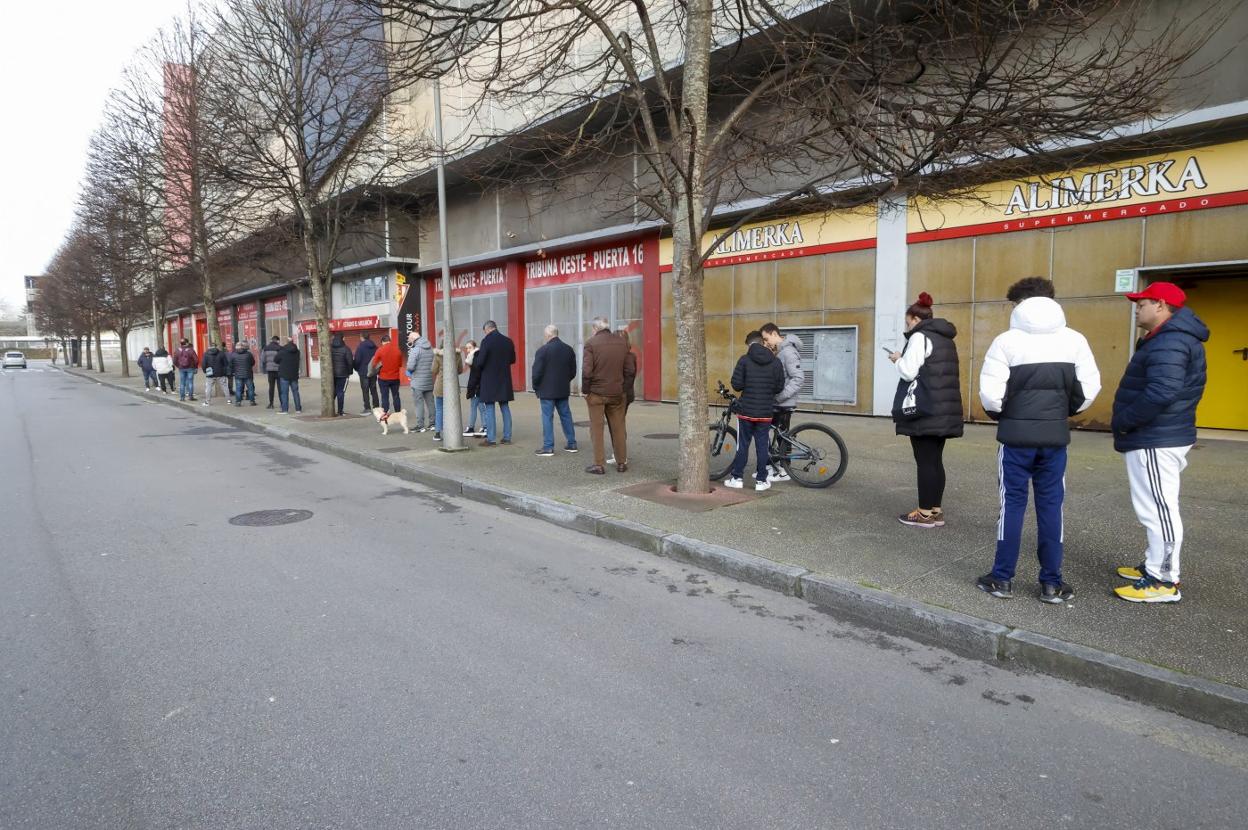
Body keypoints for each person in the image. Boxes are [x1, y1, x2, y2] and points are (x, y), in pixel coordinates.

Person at [976, 277, 1101, 604]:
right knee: (1051, 508)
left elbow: (991, 397)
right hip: (1054, 439)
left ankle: (1001, 580)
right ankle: (1051, 584)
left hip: (1015, 441)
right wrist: (1061, 412)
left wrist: (1004, 415)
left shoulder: (1006, 341)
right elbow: (1088, 391)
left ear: (1020, 305)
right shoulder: (1075, 340)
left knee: (1012, 506)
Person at [1110, 282, 1208, 604]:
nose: (1137, 307)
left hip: (1156, 437)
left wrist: (1125, 421)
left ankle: (1163, 580)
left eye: (1143, 302)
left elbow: (1161, 392)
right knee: (1153, 507)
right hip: (1159, 434)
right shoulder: (1165, 339)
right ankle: (1154, 565)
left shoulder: (1171, 341)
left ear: (1162, 306)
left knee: (1159, 511)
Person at [887, 293, 964, 528]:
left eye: (906, 321)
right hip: (944, 408)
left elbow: (909, 372)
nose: (906, 325)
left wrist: (897, 360)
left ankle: (923, 514)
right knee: (935, 461)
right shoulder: (945, 338)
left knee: (925, 462)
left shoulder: (920, 337)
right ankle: (935, 511)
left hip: (926, 409)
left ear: (914, 319)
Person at [724, 330, 785, 491]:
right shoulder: (776, 362)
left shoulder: (744, 360)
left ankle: (737, 478)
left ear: (749, 344)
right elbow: (779, 387)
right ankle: (761, 481)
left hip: (746, 411)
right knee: (762, 446)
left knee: (742, 445)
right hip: (765, 412)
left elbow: (736, 385)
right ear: (763, 342)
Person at [581, 316, 632, 474]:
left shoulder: (591, 343)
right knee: (618, 428)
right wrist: (622, 388)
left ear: (595, 328)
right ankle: (621, 463)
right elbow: (629, 370)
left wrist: (585, 390)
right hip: (617, 393)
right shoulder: (622, 342)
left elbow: (587, 372)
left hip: (596, 393)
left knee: (596, 428)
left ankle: (599, 464)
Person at [760, 323, 803, 482]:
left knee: (782, 436)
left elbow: (799, 378)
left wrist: (780, 397)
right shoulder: (782, 351)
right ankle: (776, 466)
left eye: (766, 338)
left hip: (784, 402)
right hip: (781, 402)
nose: (766, 343)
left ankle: (784, 470)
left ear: (773, 334)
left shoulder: (788, 352)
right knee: (780, 435)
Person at [531, 324, 579, 457]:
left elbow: (536, 373)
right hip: (562, 389)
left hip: (546, 391)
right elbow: (573, 372)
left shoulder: (542, 350)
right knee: (566, 415)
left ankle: (548, 447)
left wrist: (536, 387)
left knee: (547, 417)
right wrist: (564, 381)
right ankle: (572, 443)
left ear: (548, 335)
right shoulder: (568, 349)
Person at [467, 321, 516, 447]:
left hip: (489, 380)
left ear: (487, 329)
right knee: (505, 407)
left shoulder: (486, 341)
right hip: (504, 379)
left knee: (489, 408)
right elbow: (512, 359)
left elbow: (480, 362)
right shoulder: (508, 341)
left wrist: (475, 359)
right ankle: (507, 437)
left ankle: (491, 439)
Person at [430, 336, 463, 441]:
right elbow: (460, 370)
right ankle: (453, 431)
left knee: (440, 409)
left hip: (440, 386)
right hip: (453, 386)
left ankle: (438, 433)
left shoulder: (438, 355)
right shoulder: (457, 354)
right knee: (453, 409)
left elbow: (434, 370)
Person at [406, 330, 436, 431]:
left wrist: (409, 371)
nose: (409, 340)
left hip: (417, 382)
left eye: (409, 338)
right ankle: (433, 424)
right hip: (429, 380)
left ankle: (420, 425)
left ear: (414, 339)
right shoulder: (430, 348)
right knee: (430, 403)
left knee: (419, 404)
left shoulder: (416, 349)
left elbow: (410, 366)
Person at [370, 333, 404, 415]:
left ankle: (385, 413)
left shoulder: (380, 350)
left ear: (382, 342)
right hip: (395, 378)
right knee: (396, 396)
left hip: (383, 378)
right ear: (390, 341)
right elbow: (400, 364)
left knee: (384, 396)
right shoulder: (397, 350)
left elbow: (374, 364)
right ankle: (398, 412)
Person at [461, 340, 486, 437]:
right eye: (467, 348)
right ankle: (484, 426)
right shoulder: (475, 356)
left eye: (469, 347)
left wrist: (474, 386)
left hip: (476, 386)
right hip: (477, 385)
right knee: (480, 407)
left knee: (475, 407)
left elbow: (476, 374)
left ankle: (472, 427)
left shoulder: (475, 356)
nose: (467, 350)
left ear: (474, 347)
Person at [353, 332, 380, 413]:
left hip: (363, 372)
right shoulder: (375, 347)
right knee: (374, 389)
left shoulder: (360, 347)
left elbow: (357, 360)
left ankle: (367, 408)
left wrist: (357, 368)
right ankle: (376, 407)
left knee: (365, 391)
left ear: (361, 337)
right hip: (373, 371)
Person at [327, 334, 353, 416]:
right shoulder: (346, 349)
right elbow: (350, 362)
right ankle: (340, 411)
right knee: (341, 392)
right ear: (343, 338)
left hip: (332, 374)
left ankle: (330, 409)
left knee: (333, 392)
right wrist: (350, 372)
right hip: (343, 374)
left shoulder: (329, 348)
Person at [275, 335, 303, 413]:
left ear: (286, 343)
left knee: (284, 393)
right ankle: (298, 409)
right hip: (294, 374)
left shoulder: (282, 351)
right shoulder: (297, 351)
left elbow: (276, 360)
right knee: (295, 392)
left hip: (284, 374)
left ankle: (285, 410)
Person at [229, 340, 257, 406]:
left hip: (238, 374)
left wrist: (234, 371)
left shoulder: (233, 355)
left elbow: (230, 365)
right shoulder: (248, 354)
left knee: (238, 389)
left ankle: (238, 402)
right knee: (250, 388)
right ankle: (252, 401)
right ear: (243, 347)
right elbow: (253, 363)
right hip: (248, 374)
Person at [261, 336, 282, 409]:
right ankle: (282, 403)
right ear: (278, 341)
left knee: (271, 387)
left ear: (271, 340)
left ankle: (271, 404)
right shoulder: (280, 348)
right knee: (280, 387)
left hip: (270, 370)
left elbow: (263, 360)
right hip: (279, 370)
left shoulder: (265, 348)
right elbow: (282, 359)